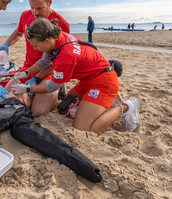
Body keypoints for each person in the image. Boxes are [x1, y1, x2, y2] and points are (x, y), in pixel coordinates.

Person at [11, 18, 140, 135]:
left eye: (36, 45)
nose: (35, 48)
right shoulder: (56, 37)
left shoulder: (66, 56)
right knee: (64, 108)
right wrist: (26, 73)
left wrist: (27, 89)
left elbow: (51, 87)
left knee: (84, 128)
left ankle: (126, 106)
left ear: (47, 40)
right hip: (87, 80)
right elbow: (44, 62)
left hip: (103, 82)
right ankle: (102, 105)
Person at [0, 0, 70, 116]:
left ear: (49, 2)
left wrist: (37, 79)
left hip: (49, 72)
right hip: (28, 69)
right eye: (32, 7)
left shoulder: (61, 24)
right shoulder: (25, 16)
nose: (35, 13)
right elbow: (18, 33)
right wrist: (6, 44)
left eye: (40, 8)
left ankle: (58, 90)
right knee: (6, 98)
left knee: (38, 111)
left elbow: (59, 62)